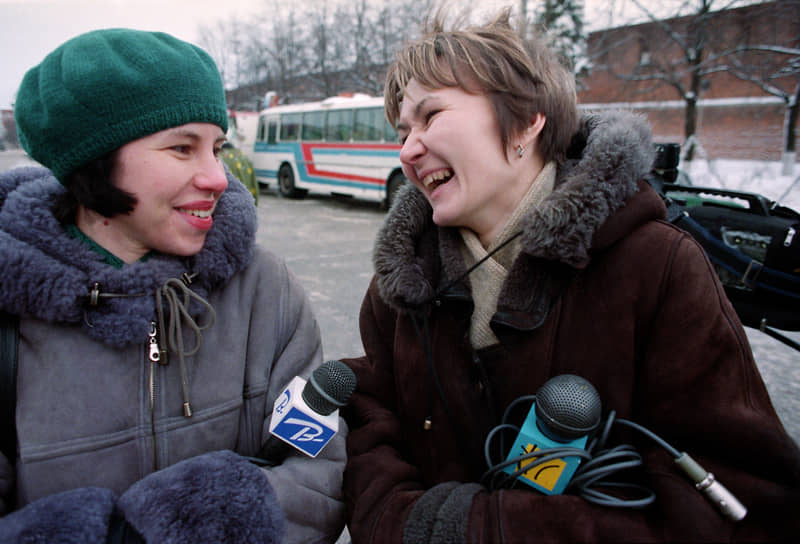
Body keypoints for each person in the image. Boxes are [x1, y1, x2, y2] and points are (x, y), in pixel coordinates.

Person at [341, 8, 800, 543]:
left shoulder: (657, 267)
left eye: (431, 116)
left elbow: (746, 502)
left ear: (527, 118)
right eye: (402, 131)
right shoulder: (402, 285)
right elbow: (373, 428)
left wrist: (488, 529)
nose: (407, 150)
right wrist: (410, 523)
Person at [0, 28, 345, 543]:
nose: (219, 177)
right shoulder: (10, 313)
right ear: (95, 159)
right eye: (183, 148)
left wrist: (203, 526)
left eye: (218, 148)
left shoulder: (264, 291)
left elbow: (319, 467)